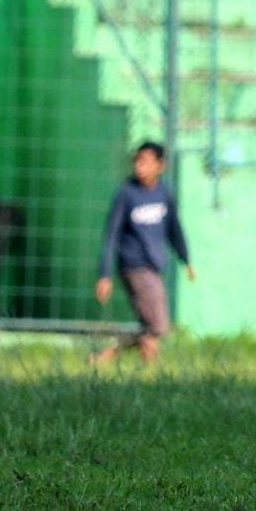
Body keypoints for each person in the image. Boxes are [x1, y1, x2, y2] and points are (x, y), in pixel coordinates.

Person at [91, 141, 195, 365]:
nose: (140, 167)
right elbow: (111, 234)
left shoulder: (164, 193)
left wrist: (185, 258)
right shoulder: (126, 194)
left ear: (160, 165)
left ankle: (106, 357)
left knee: (153, 327)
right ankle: (146, 370)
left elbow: (174, 228)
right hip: (134, 266)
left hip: (154, 265)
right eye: (137, 161)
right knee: (158, 325)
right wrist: (105, 274)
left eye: (146, 162)